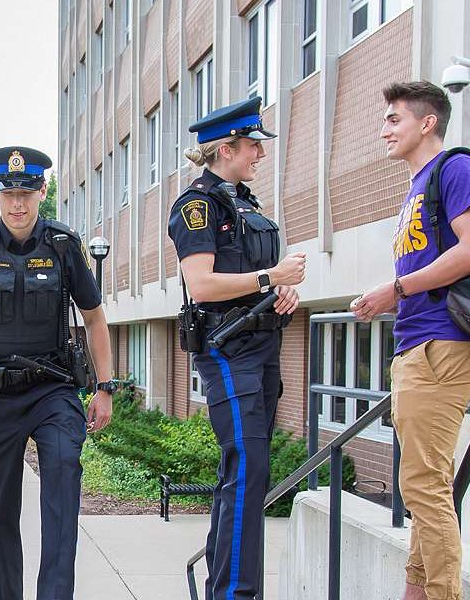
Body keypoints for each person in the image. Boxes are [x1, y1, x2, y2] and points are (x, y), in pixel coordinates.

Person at [0, 146, 116, 600]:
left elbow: (95, 319)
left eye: (27, 192)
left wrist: (105, 387)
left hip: (52, 389)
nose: (18, 203)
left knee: (62, 469)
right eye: (9, 192)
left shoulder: (63, 245)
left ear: (42, 191)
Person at [349, 81, 470, 600]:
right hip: (420, 346)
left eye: (394, 119)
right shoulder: (419, 184)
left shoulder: (456, 168)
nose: (384, 129)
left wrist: (396, 288)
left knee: (425, 487)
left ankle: (441, 594)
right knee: (425, 484)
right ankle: (416, 592)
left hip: (443, 344)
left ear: (426, 122)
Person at [167, 96, 307, 600]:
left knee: (245, 475)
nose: (260, 156)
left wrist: (279, 291)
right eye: (253, 146)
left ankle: (224, 588)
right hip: (228, 351)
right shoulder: (197, 205)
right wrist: (272, 275)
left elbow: (250, 282)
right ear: (226, 148)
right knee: (247, 470)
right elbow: (202, 285)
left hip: (263, 345)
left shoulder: (245, 203)